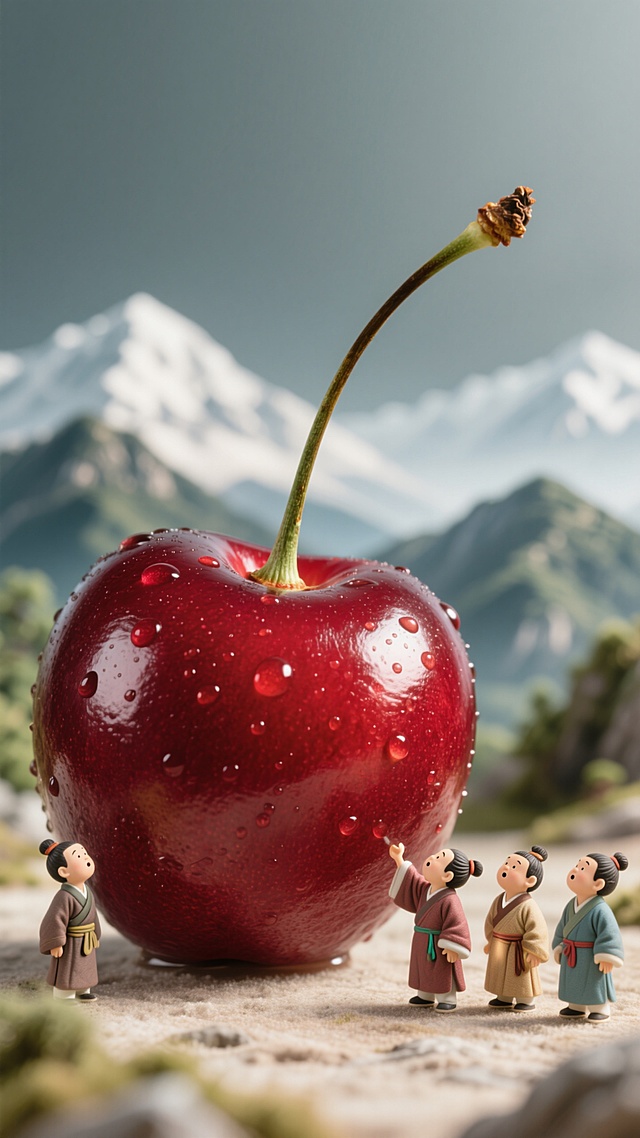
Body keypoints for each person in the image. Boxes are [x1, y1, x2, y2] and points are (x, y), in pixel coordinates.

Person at [388, 841, 483, 1011]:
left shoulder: (450, 900)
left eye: (439, 858)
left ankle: (448, 998)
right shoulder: (426, 889)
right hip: (422, 939)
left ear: (447, 876)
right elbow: (413, 880)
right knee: (424, 969)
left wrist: (454, 946)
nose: (432, 857)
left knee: (442, 971)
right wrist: (399, 859)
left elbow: (457, 923)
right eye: (437, 854)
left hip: (439, 943)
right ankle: (425, 994)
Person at [552, 851, 627, 1022]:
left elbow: (609, 933)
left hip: (590, 956)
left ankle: (601, 1007)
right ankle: (576, 1006)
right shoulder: (571, 905)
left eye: (583, 869)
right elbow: (562, 927)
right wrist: (559, 946)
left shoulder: (600, 909)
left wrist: (607, 955)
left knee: (593, 982)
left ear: (598, 883)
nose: (575, 870)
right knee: (574, 980)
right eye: (578, 865)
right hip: (571, 952)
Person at [483, 845, 549, 1011]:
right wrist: (490, 940)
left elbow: (537, 929)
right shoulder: (499, 900)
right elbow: (490, 922)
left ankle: (525, 1000)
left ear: (530, 881)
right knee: (499, 973)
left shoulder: (528, 905)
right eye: (506, 862)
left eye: (514, 867)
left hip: (519, 949)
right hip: (499, 944)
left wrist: (535, 951)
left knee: (520, 976)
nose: (506, 867)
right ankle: (503, 996)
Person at [38, 839, 101, 1000]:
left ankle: (83, 991)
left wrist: (96, 933)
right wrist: (56, 941)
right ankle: (64, 995)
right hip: (71, 941)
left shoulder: (87, 892)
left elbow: (92, 915)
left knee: (85, 966)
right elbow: (54, 919)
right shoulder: (64, 896)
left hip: (86, 938)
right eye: (79, 856)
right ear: (64, 872)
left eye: (85, 853)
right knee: (69, 968)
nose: (86, 858)